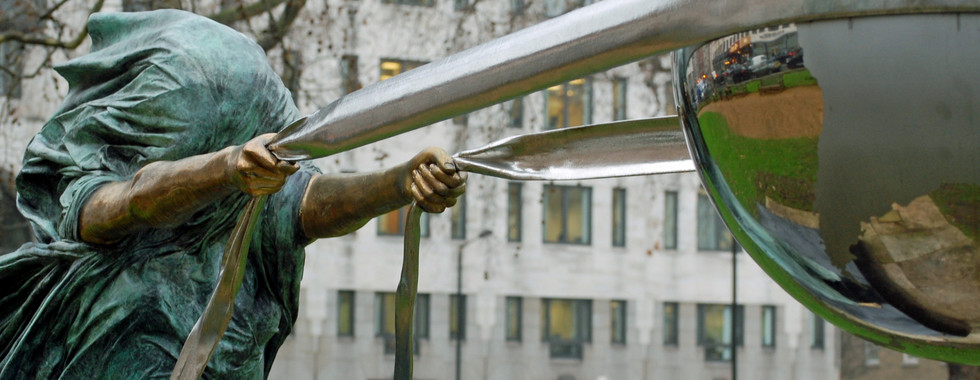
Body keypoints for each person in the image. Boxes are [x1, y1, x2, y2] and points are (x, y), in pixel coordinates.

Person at [0, 9, 464, 379]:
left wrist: (398, 182)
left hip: (227, 343)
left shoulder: (257, 106)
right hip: (121, 336)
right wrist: (223, 168)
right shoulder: (107, 150)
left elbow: (304, 204)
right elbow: (101, 212)